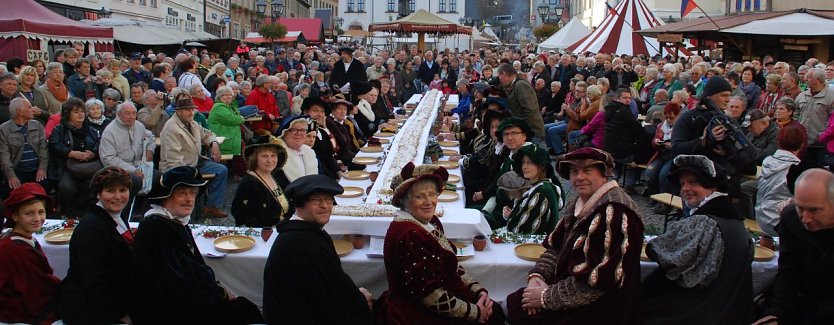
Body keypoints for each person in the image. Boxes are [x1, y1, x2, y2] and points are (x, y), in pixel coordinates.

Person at [506, 147, 643, 324]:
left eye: (587, 171)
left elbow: (599, 283)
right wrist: (537, 278)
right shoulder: (580, 202)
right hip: (568, 289)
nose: (579, 177)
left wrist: (545, 298)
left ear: (604, 174)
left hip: (602, 307)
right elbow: (556, 247)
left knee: (518, 309)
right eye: (574, 171)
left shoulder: (615, 212)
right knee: (516, 303)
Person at [130, 166, 264, 324]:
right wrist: (221, 293)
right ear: (165, 197)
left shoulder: (173, 222)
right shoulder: (157, 227)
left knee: (245, 309)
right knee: (244, 313)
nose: (189, 199)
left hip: (182, 300)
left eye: (192, 193)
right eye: (182, 193)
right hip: (167, 309)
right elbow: (180, 280)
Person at [380, 162, 505, 324]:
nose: (429, 201)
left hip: (444, 293)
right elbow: (429, 295)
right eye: (419, 196)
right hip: (417, 309)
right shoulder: (409, 234)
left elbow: (451, 266)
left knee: (494, 311)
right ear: (404, 201)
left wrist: (477, 291)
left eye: (432, 194)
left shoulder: (430, 221)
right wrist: (475, 312)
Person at [642, 155, 753, 324]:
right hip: (726, 310)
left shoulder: (705, 222)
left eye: (693, 182)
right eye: (682, 184)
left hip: (698, 311)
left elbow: (671, 265)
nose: (685, 188)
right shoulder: (733, 219)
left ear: (712, 186)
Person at [263, 174, 372, 324]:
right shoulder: (303, 243)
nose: (325, 205)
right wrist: (360, 301)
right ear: (299, 204)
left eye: (328, 199)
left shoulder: (306, 233)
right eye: (317, 200)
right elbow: (326, 297)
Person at [753, 168, 834, 325]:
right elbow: (789, 271)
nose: (806, 218)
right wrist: (776, 314)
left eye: (814, 210)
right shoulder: (791, 219)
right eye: (800, 208)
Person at [59, 167, 135, 324]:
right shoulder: (92, 228)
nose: (118, 196)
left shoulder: (115, 217)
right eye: (110, 190)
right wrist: (120, 314)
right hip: (90, 310)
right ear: (98, 194)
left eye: (123, 190)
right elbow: (94, 281)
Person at [159, 93, 228, 218]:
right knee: (192, 181)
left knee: (221, 170)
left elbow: (208, 134)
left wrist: (214, 144)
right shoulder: (171, 128)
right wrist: (191, 174)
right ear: (178, 111)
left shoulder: (193, 123)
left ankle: (211, 206)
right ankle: (183, 211)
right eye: (187, 110)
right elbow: (174, 160)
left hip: (195, 162)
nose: (191, 112)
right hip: (178, 168)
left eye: (192, 109)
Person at [0, 183, 61, 324]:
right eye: (29, 213)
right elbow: (35, 292)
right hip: (17, 314)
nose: (37, 218)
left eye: (41, 212)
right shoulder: (16, 249)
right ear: (15, 216)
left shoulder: (24, 238)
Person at [48, 98, 102, 219]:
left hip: (89, 168)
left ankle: (85, 215)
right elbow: (54, 145)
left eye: (82, 111)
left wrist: (93, 153)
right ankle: (69, 214)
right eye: (76, 111)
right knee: (67, 188)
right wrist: (70, 153)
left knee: (92, 186)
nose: (81, 114)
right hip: (66, 167)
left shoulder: (91, 130)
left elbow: (101, 144)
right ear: (68, 114)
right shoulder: (60, 130)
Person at [231, 136, 290, 227]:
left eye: (273, 156)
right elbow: (244, 217)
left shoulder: (275, 176)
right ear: (255, 158)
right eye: (264, 156)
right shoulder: (249, 184)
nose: (270, 160)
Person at [505, 145, 563, 235]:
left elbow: (523, 229)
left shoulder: (542, 191)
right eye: (523, 162)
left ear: (542, 166)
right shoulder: (539, 187)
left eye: (530, 163)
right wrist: (512, 214)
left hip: (534, 245)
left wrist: (512, 217)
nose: (524, 167)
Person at [0, 98, 49, 199]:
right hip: (17, 171)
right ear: (20, 111)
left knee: (43, 189)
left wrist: (42, 168)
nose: (33, 110)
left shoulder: (37, 125)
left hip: (37, 169)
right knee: (14, 194)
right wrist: (11, 176)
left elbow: (44, 149)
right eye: (30, 107)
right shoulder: (3, 130)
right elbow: (4, 156)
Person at [498, 63, 546, 144]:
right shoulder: (515, 85)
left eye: (499, 77)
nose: (500, 80)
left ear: (504, 74)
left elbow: (529, 109)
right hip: (525, 131)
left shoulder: (520, 85)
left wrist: (522, 129)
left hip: (531, 131)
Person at [275, 115, 318, 182]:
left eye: (303, 130)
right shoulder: (278, 155)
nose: (299, 133)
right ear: (284, 133)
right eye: (294, 130)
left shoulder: (309, 152)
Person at [207, 86, 245, 156]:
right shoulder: (219, 106)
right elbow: (231, 119)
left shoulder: (230, 106)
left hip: (232, 139)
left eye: (230, 94)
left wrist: (239, 118)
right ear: (219, 96)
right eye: (225, 95)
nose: (228, 96)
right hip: (224, 141)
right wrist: (241, 118)